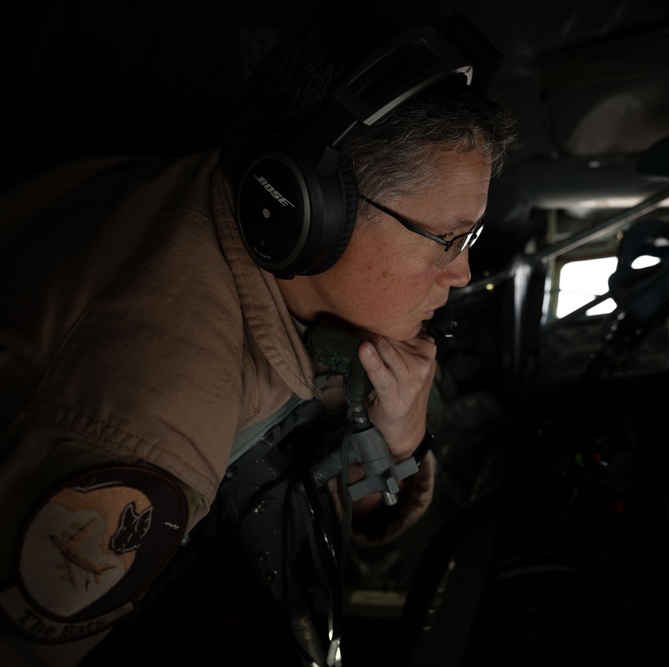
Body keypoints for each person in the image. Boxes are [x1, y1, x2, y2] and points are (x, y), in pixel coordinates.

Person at [0, 3, 516, 665]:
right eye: (445, 238)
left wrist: (401, 444)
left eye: (469, 236)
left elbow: (340, 492)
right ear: (307, 208)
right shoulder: (155, 416)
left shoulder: (252, 234)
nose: (462, 272)